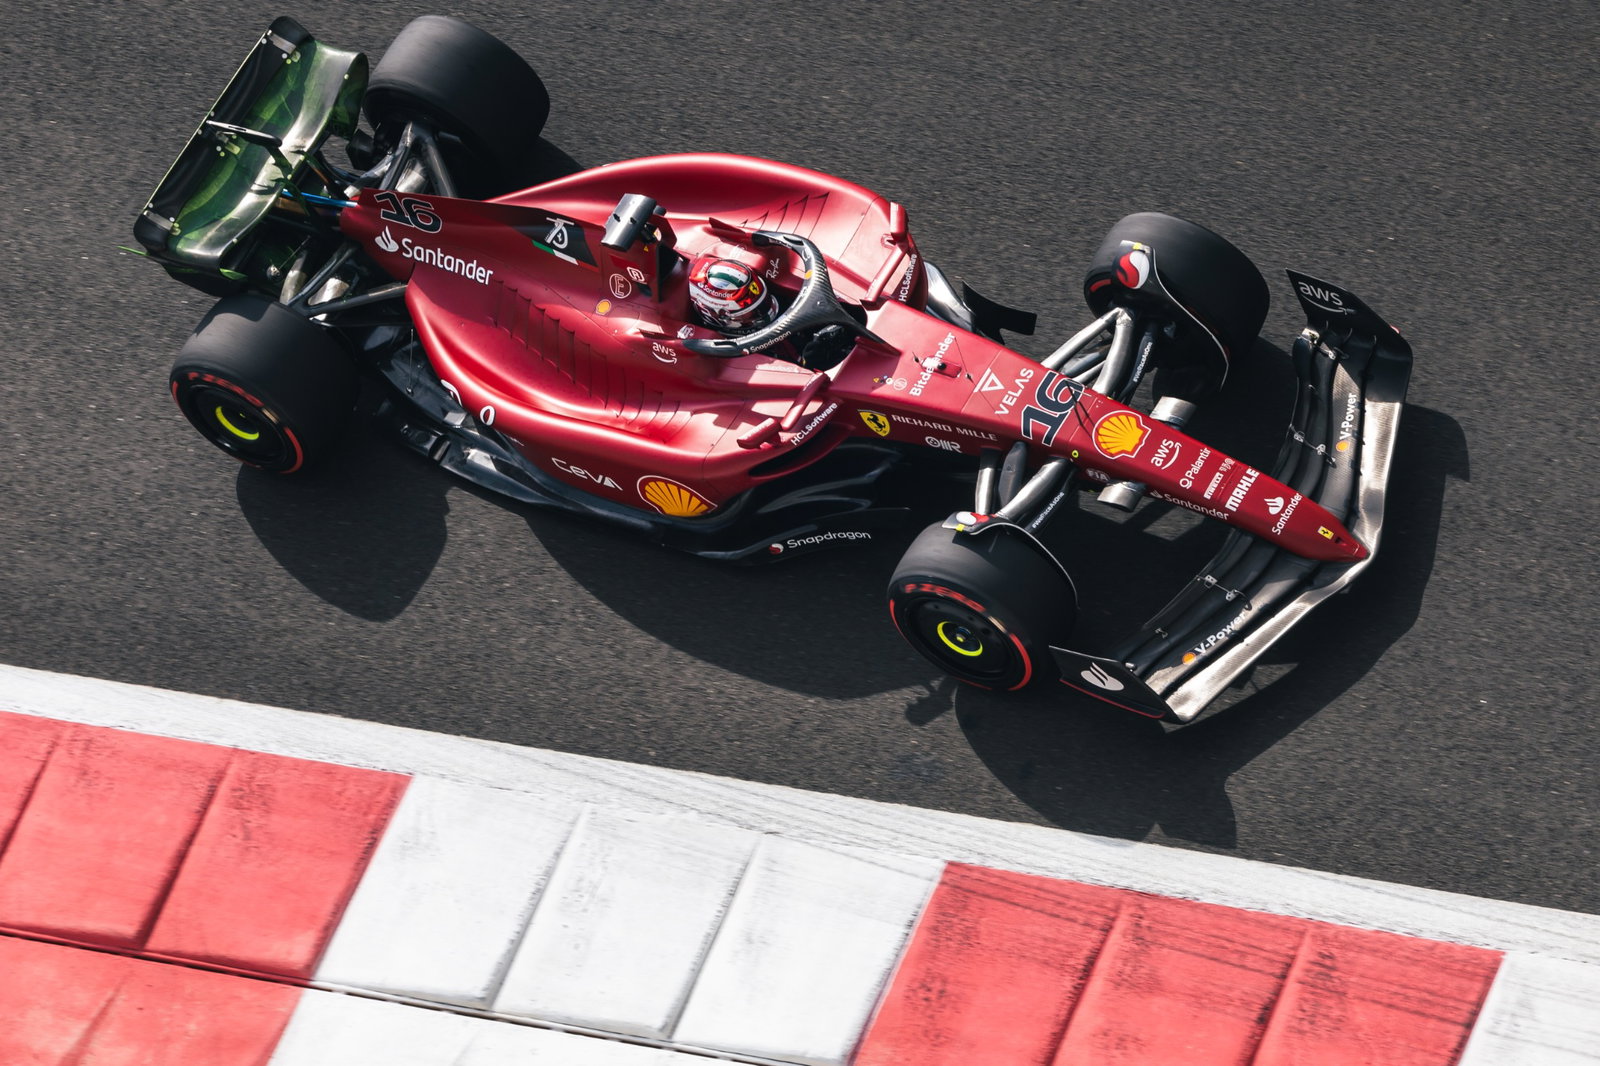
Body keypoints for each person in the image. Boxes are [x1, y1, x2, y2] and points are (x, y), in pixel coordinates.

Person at [685, 253, 854, 369]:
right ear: (718, 316)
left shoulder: (760, 298)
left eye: (763, 302)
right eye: (750, 312)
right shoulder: (729, 355)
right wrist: (809, 361)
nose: (764, 311)